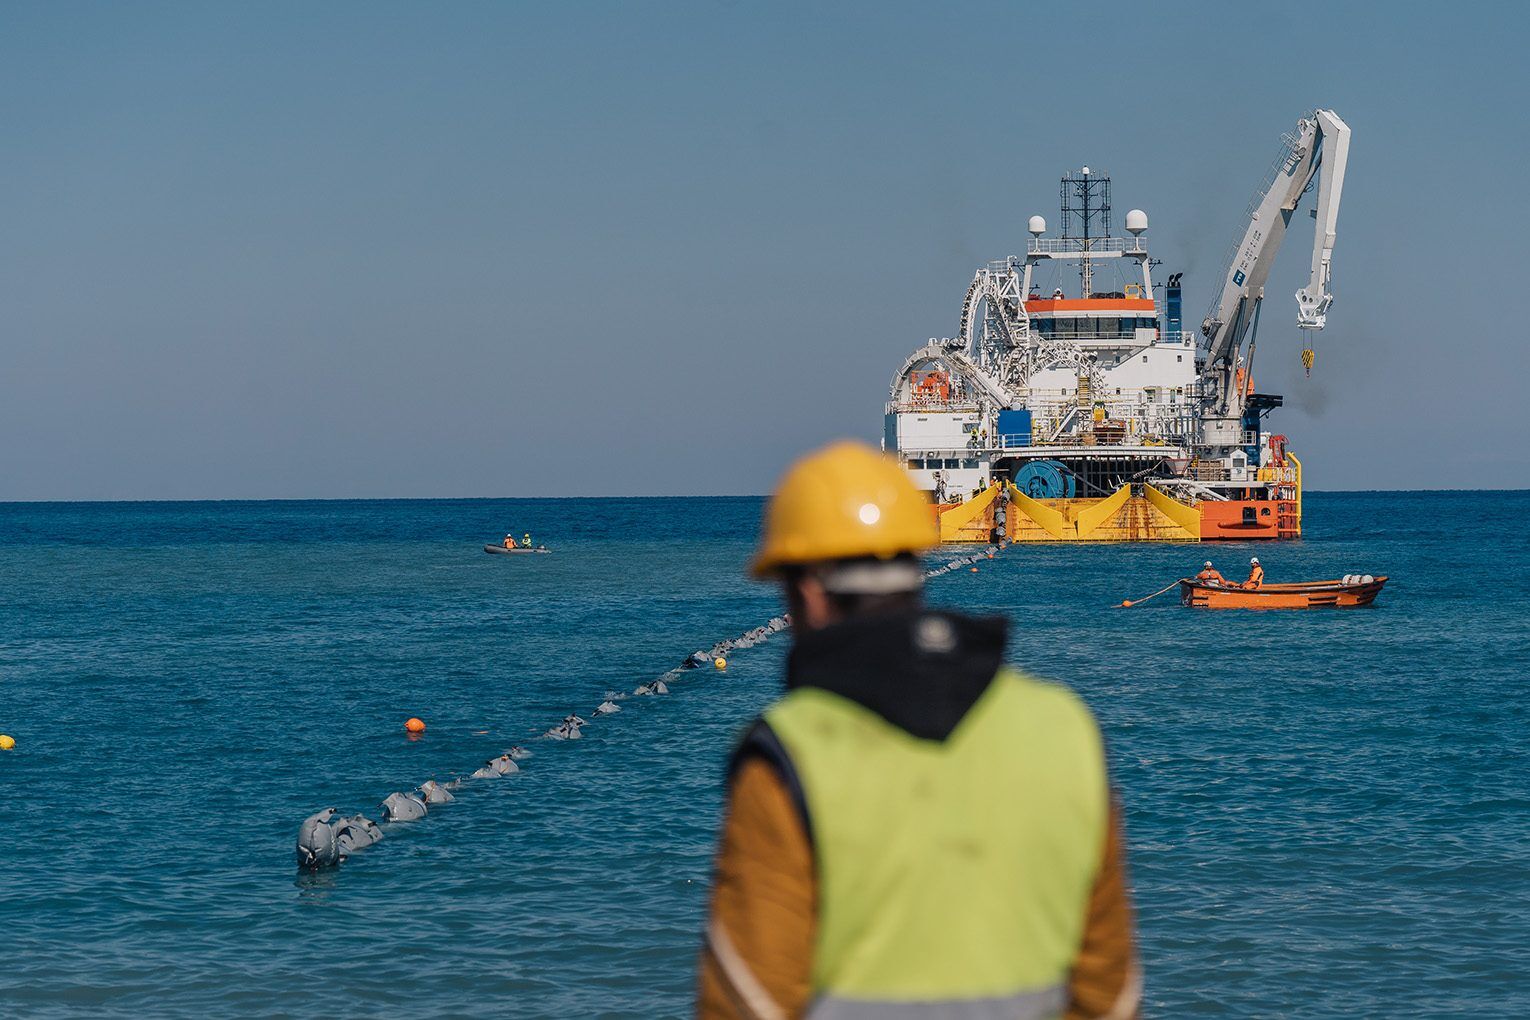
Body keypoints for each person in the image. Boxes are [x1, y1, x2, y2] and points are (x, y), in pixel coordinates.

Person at [697, 441, 1139, 1019]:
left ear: (804, 590)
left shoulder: (789, 755)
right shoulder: (1065, 728)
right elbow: (1113, 996)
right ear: (916, 569)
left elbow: (745, 1002)